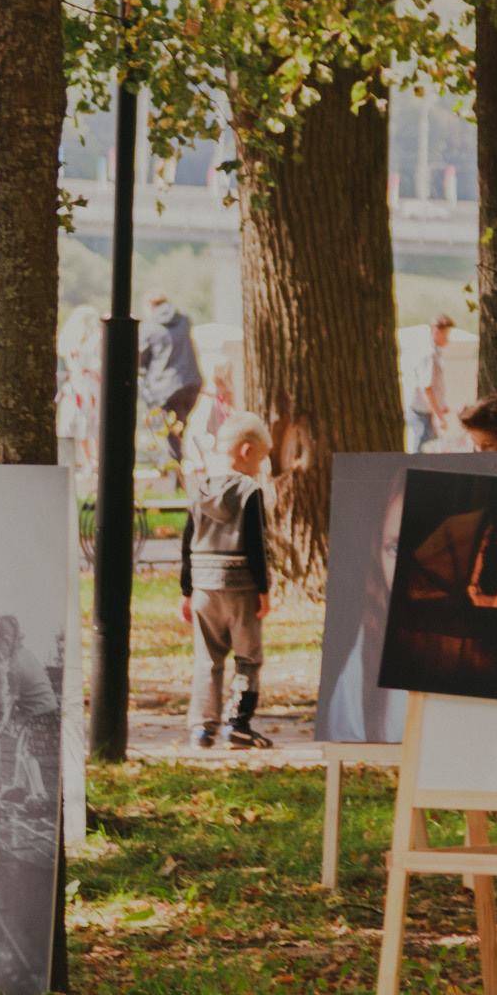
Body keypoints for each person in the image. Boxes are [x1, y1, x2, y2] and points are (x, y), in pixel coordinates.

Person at [179, 412, 273, 750]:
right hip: (242, 587)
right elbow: (256, 545)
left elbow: (187, 541)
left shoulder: (200, 490)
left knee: (208, 658)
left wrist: (186, 590)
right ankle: (239, 725)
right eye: (262, 458)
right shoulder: (251, 492)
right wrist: (264, 589)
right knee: (248, 656)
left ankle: (203, 728)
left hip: (204, 586)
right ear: (246, 451)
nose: (263, 466)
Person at [137, 290, 204, 466]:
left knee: (171, 432)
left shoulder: (150, 327)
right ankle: (174, 471)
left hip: (166, 387)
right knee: (177, 430)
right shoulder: (184, 321)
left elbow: (139, 359)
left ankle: (174, 474)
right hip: (191, 383)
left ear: (150, 306)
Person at [404, 313, 454, 451]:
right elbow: (427, 388)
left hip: (427, 412)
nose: (448, 338)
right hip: (421, 413)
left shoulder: (433, 353)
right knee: (421, 450)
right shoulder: (428, 354)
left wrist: (440, 405)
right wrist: (438, 415)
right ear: (436, 332)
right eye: (446, 334)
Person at [64, 305, 102, 474]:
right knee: (83, 422)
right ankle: (89, 461)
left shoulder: (92, 338)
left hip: (87, 383)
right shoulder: (77, 341)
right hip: (82, 384)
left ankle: (93, 461)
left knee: (92, 423)